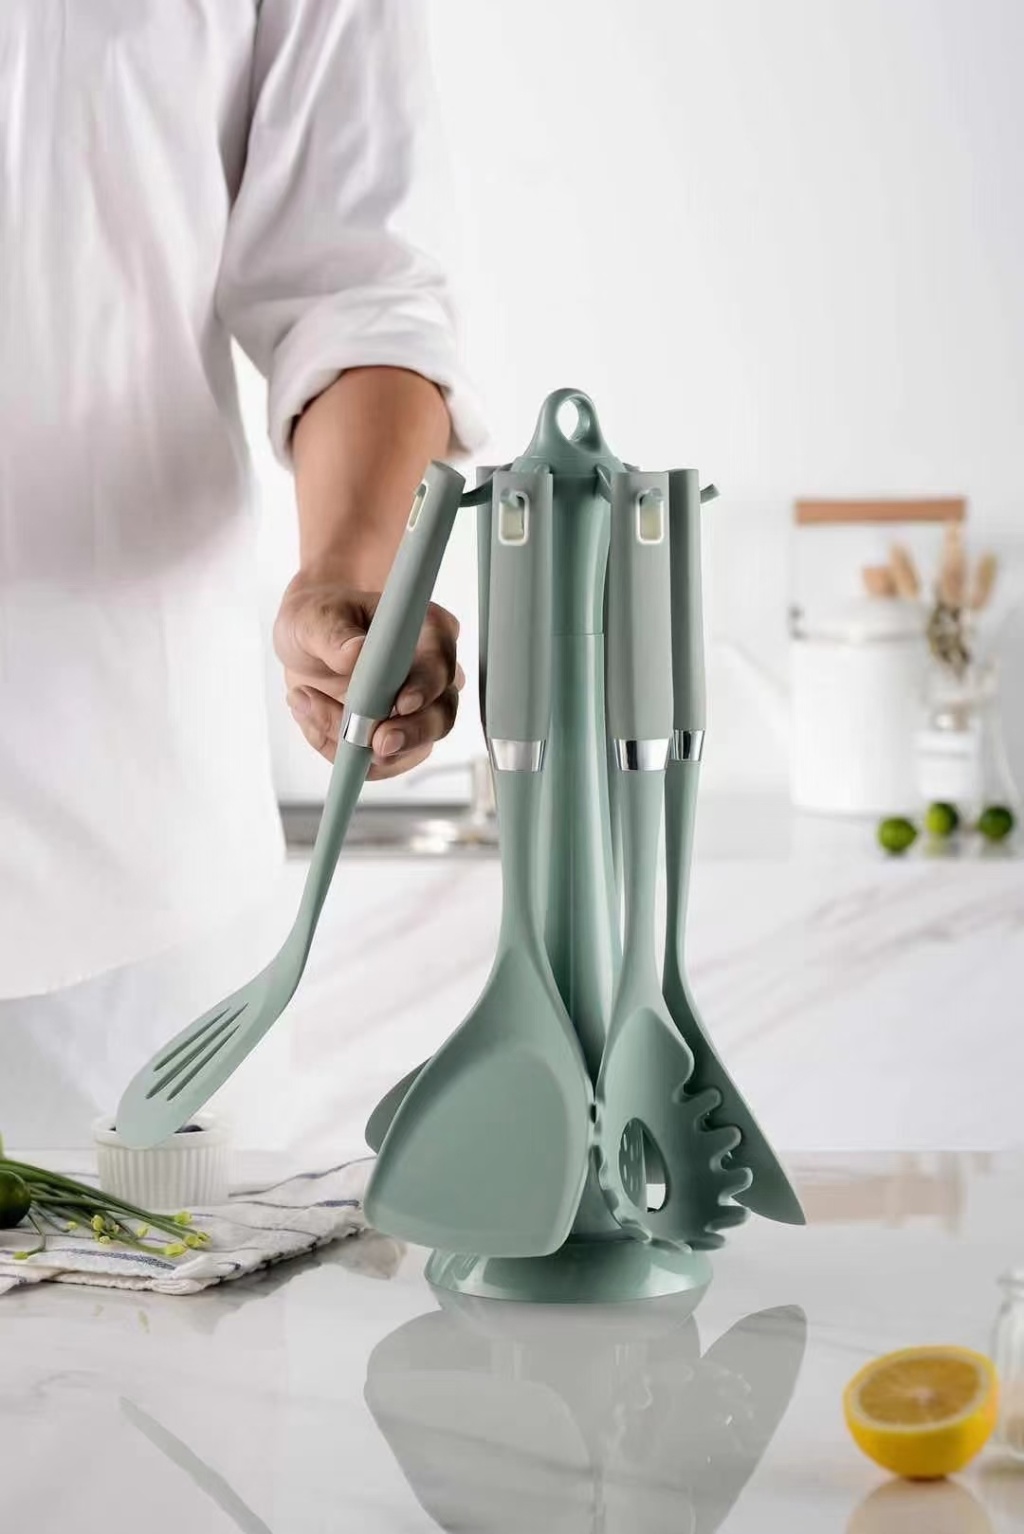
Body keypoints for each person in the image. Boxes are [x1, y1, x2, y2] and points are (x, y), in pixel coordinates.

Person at [0, 0, 484, 1149]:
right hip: (135, 869)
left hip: (120, 889)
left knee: (168, 1259)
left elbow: (355, 289)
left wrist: (349, 576)